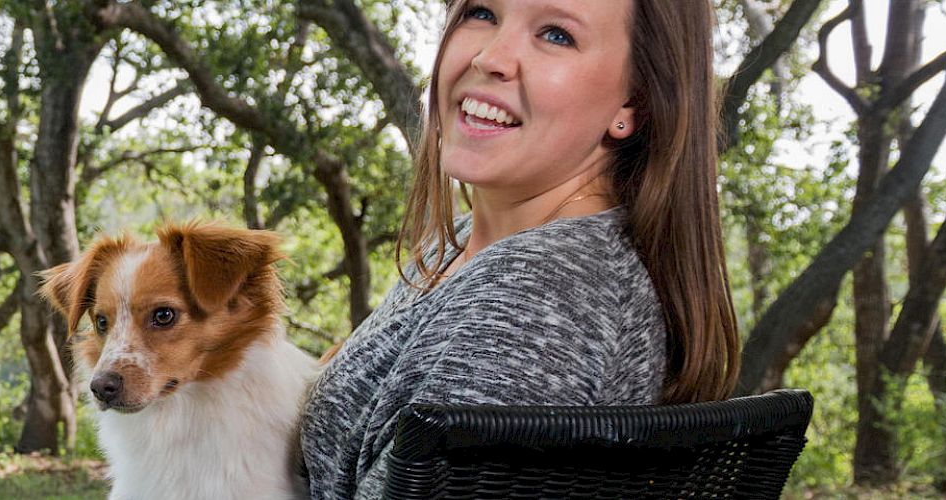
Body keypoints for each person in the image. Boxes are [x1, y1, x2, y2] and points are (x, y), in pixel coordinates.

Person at [298, 0, 742, 498]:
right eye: (482, 12)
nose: (491, 57)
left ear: (632, 103)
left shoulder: (540, 296)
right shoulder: (466, 241)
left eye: (556, 35)